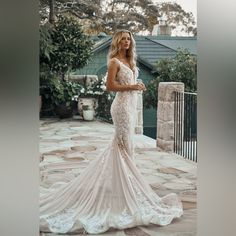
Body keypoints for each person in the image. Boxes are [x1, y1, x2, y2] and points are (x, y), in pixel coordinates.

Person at [40, 29, 183, 235]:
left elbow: (130, 84)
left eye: (128, 39)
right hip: (122, 109)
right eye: (123, 39)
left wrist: (137, 85)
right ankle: (127, 190)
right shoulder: (114, 61)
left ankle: (125, 188)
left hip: (131, 108)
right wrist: (132, 87)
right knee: (124, 147)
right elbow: (110, 86)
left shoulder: (130, 61)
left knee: (126, 148)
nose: (126, 41)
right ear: (117, 41)